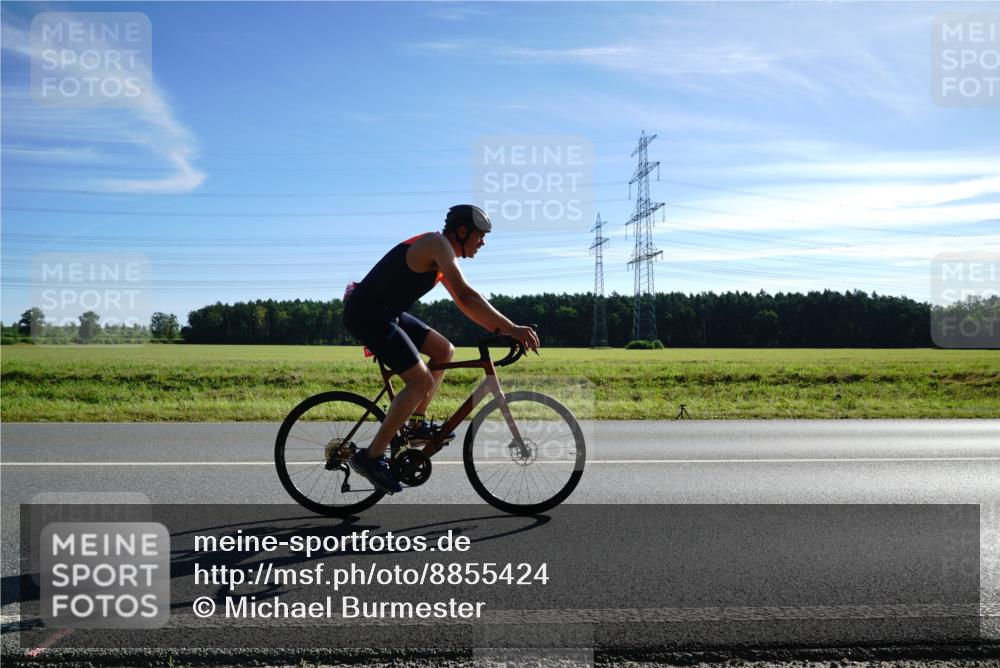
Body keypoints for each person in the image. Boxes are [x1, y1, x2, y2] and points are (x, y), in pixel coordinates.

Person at [342, 204, 540, 494]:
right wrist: (511, 328)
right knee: (420, 381)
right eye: (480, 236)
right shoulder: (437, 245)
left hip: (386, 312)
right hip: (367, 313)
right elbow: (467, 294)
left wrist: (501, 330)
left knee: (444, 350)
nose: (482, 242)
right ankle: (370, 457)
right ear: (462, 231)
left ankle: (417, 423)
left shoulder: (441, 253)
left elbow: (465, 304)